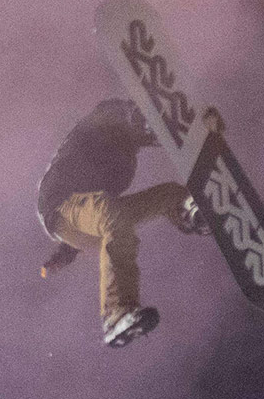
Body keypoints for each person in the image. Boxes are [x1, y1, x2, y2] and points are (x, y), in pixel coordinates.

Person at [37, 98, 211, 346]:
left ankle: (189, 212)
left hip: (84, 219)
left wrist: (64, 254)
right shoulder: (101, 124)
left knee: (169, 194)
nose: (148, 139)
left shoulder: (126, 163)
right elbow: (116, 114)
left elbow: (91, 215)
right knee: (115, 219)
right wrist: (144, 116)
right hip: (60, 203)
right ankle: (115, 313)